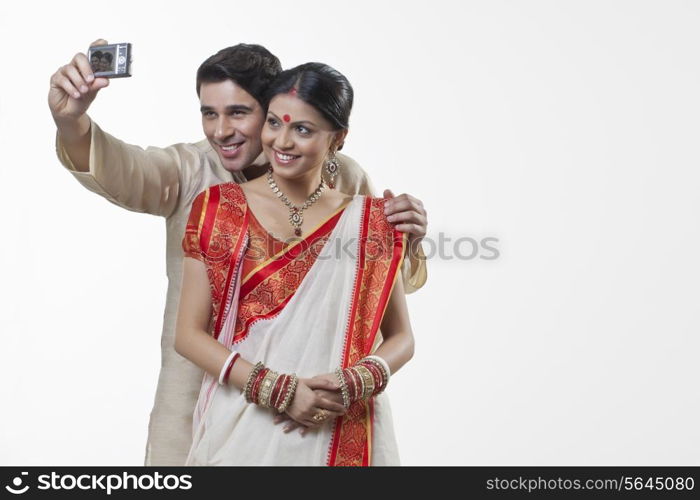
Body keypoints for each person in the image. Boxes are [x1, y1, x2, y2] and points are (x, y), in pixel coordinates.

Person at [49, 41, 428, 466]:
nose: (220, 131)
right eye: (209, 113)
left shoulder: (345, 178)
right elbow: (127, 170)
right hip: (202, 395)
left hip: (327, 409)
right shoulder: (195, 175)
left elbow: (363, 295)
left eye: (238, 113)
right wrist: (72, 123)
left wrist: (407, 243)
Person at [177, 62, 414, 465]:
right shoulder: (219, 209)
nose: (281, 141)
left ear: (338, 138)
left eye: (302, 129)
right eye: (273, 123)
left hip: (345, 420)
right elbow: (188, 335)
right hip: (247, 420)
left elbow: (402, 338)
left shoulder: (372, 219)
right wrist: (279, 391)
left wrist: (353, 381)